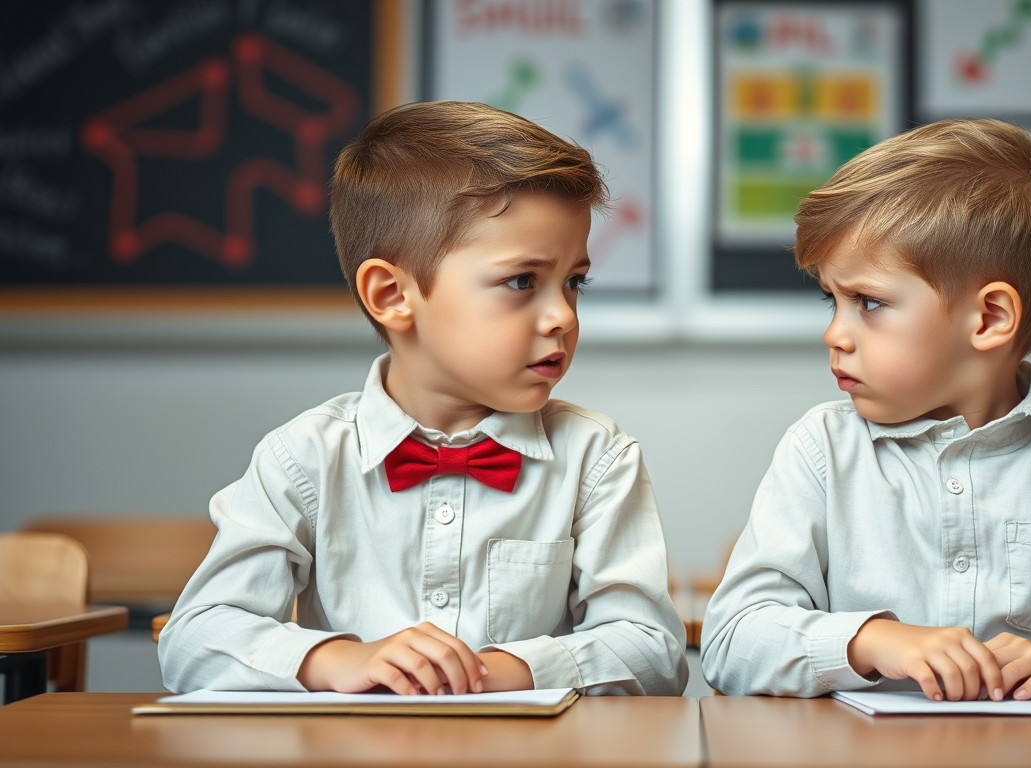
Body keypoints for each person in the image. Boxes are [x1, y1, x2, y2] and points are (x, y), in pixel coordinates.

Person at [159, 101, 688, 697]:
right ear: (391, 295)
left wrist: (498, 673)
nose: (563, 316)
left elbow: (653, 651)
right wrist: (337, 662)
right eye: (522, 282)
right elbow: (193, 640)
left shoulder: (597, 458)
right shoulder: (302, 458)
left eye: (574, 282)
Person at [700, 118, 1031, 701]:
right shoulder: (821, 451)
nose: (835, 333)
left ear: (989, 319)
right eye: (832, 300)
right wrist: (874, 640)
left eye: (870, 303)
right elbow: (732, 642)